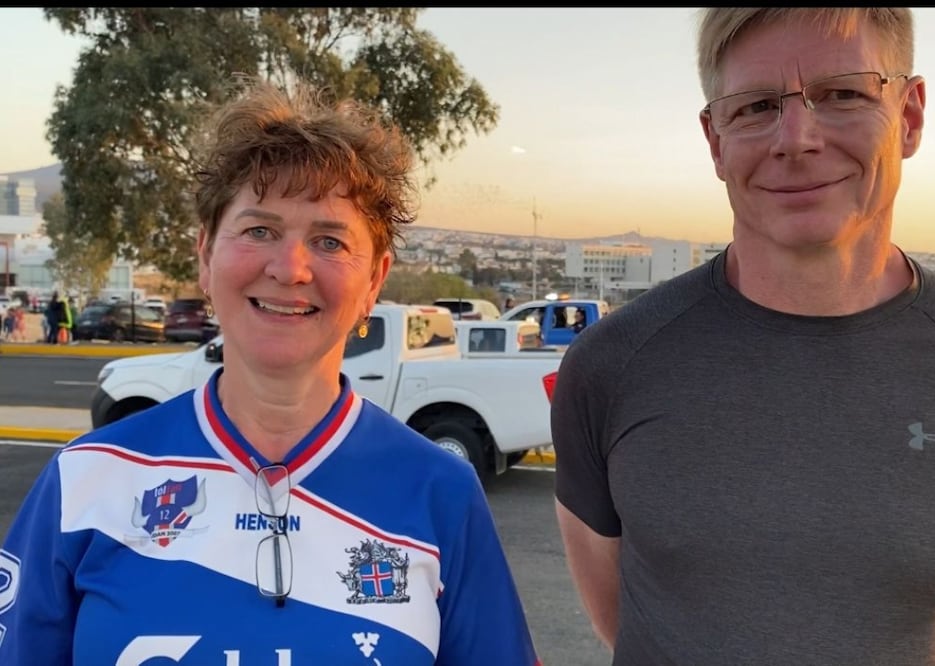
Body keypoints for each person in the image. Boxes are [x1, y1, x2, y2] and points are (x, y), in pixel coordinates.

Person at [550, 8, 935, 665]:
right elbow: (626, 622)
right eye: (755, 105)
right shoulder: (609, 367)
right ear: (714, 139)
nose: (796, 138)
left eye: (842, 94)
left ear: (908, 115)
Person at [0, 78, 541, 666]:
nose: (290, 268)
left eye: (330, 241)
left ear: (374, 283)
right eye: (259, 230)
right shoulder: (86, 481)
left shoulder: (442, 493)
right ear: (206, 257)